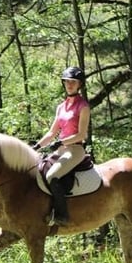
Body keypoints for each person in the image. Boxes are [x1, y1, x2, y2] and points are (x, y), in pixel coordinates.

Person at [30, 66, 90, 227]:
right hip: (61, 149)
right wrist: (36, 146)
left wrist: (62, 142)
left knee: (51, 175)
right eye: (67, 81)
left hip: (75, 149)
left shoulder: (83, 106)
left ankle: (62, 215)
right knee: (37, 171)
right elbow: (51, 133)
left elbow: (81, 135)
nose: (69, 85)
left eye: (73, 82)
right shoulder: (61, 107)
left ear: (79, 85)